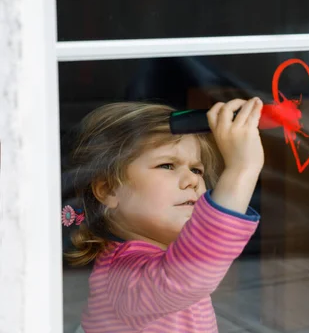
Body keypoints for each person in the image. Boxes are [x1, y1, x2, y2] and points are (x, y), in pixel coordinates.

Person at [63, 98, 264, 332]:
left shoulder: (163, 261)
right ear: (108, 190)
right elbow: (187, 277)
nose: (193, 181)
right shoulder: (122, 275)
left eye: (196, 169)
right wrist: (241, 169)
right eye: (168, 165)